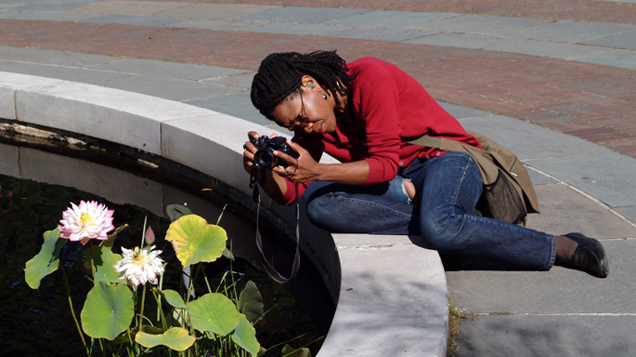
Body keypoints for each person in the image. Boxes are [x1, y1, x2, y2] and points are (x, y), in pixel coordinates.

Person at [243, 50, 609, 278]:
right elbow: (291, 194)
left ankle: (559, 246)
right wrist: (267, 175)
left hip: (448, 161)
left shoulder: (369, 78)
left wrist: (318, 170)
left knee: (437, 227)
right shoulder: (319, 122)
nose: (304, 128)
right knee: (320, 206)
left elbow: (384, 164)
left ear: (310, 84)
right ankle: (464, 229)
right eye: (293, 127)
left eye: (302, 117)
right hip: (402, 181)